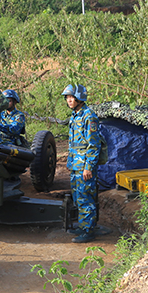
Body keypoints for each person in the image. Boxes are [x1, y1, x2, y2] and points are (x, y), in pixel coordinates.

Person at [63, 84, 100, 243]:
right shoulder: (75, 115)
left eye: (72, 97)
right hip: (75, 165)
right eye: (67, 98)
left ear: (79, 98)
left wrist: (88, 167)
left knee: (86, 198)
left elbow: (93, 144)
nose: (69, 100)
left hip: (84, 166)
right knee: (78, 197)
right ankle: (83, 225)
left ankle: (88, 231)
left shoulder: (88, 116)